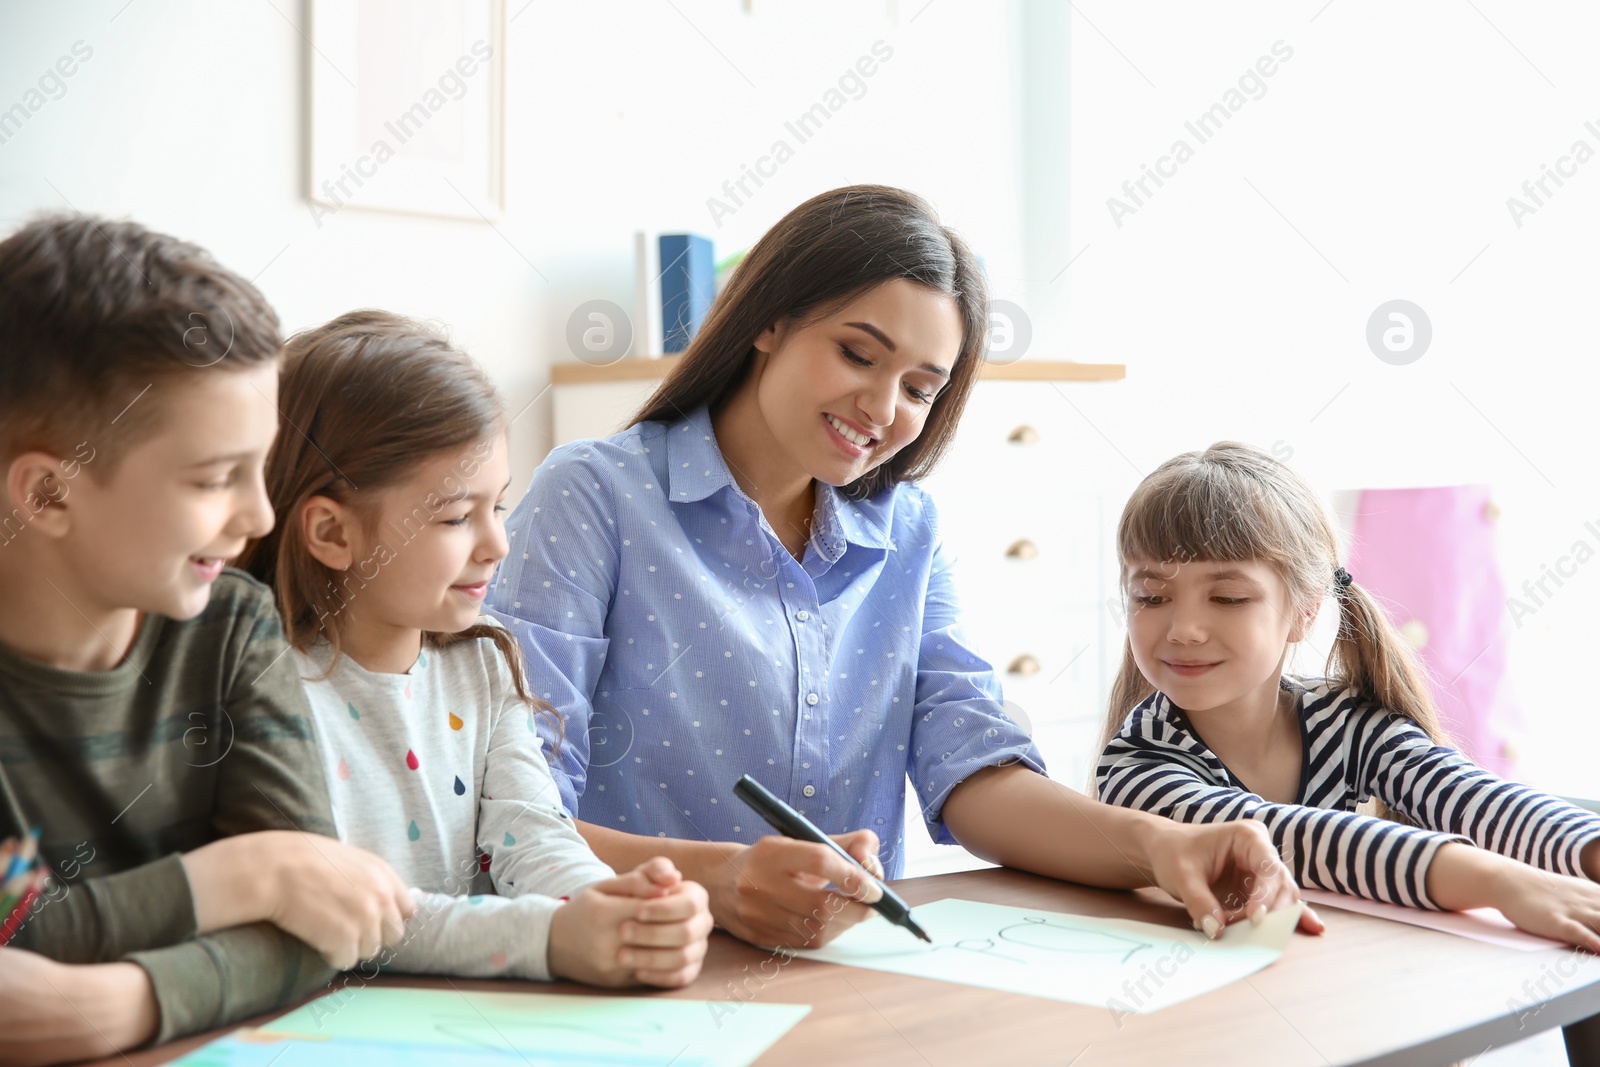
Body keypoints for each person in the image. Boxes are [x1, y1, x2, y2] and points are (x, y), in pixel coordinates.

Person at [489, 185, 1315, 950]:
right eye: (857, 354)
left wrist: (1161, 844)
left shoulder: (907, 530)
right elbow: (511, 814)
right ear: (769, 320)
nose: (883, 412)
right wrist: (723, 878)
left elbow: (974, 772)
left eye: (920, 388)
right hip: (638, 960)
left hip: (850, 973)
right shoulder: (596, 495)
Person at [0, 217, 412, 1065]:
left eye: (258, 468)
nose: (259, 516)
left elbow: (321, 922)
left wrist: (113, 1006)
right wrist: (244, 876)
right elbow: (17, 930)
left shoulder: (231, 625)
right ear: (47, 494)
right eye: (214, 477)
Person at [241, 310, 714, 988]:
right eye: (457, 516)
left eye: (500, 506)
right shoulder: (267, 689)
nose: (498, 543)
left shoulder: (483, 664)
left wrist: (611, 905)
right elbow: (349, 915)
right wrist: (549, 938)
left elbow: (535, 829)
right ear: (332, 532)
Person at [1094, 441, 1600, 952]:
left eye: (1228, 598)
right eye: (1151, 597)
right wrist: (1500, 881)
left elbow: (1468, 795)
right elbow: (1306, 841)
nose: (1184, 630)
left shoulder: (1347, 722)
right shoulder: (1135, 770)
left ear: (1305, 611)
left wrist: (1589, 850)